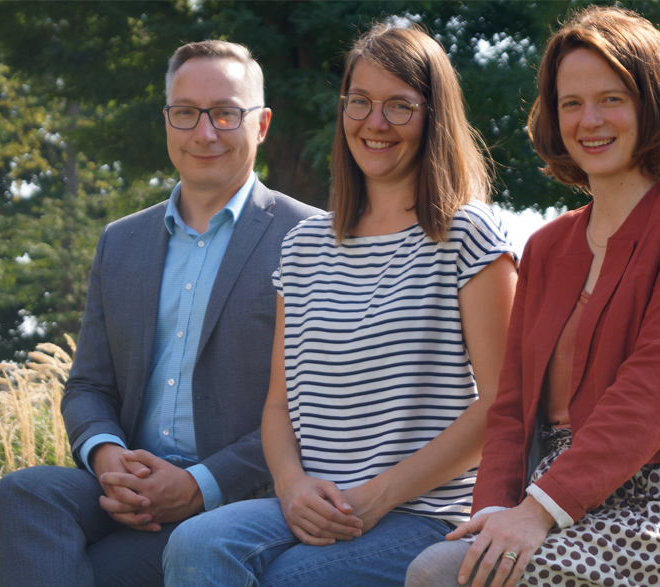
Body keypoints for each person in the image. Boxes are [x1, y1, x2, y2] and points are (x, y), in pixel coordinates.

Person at [162, 23, 518, 587]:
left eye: (400, 106)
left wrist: (379, 496)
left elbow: (503, 403)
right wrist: (291, 485)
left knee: (295, 578)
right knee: (196, 544)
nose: (375, 123)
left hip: (426, 513)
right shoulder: (304, 245)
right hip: (314, 500)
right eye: (361, 102)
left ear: (434, 116)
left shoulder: (467, 234)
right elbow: (279, 405)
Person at [406, 6, 660, 587]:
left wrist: (538, 511)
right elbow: (512, 406)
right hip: (552, 490)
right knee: (452, 561)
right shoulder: (545, 246)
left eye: (612, 99)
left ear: (651, 102)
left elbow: (655, 388)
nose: (589, 120)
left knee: (442, 575)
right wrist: (493, 512)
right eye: (571, 103)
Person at [0, 40, 320, 587]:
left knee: (87, 572)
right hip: (123, 490)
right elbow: (89, 384)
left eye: (225, 113)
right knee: (23, 493)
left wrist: (198, 485)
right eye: (186, 113)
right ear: (167, 121)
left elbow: (314, 409)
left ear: (260, 125)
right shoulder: (120, 243)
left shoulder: (310, 239)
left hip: (239, 502)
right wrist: (108, 458)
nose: (204, 132)